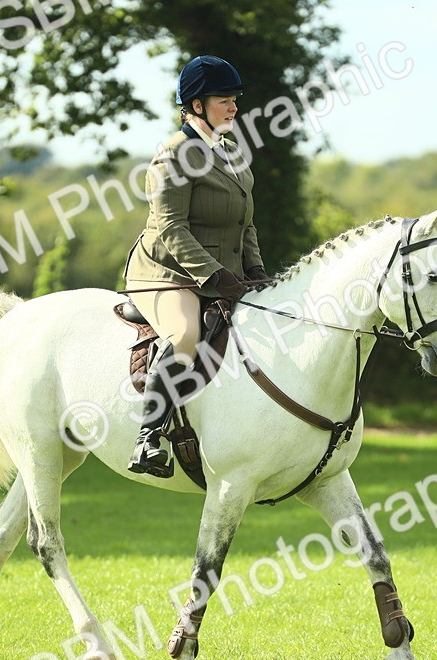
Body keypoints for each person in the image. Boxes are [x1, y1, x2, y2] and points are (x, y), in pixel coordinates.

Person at [123, 55, 273, 478]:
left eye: (234, 100)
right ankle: (148, 439)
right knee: (186, 334)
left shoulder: (232, 154)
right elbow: (171, 226)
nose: (234, 108)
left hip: (222, 276)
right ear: (195, 105)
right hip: (166, 273)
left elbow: (246, 224)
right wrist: (214, 276)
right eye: (225, 100)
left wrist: (256, 272)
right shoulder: (172, 156)